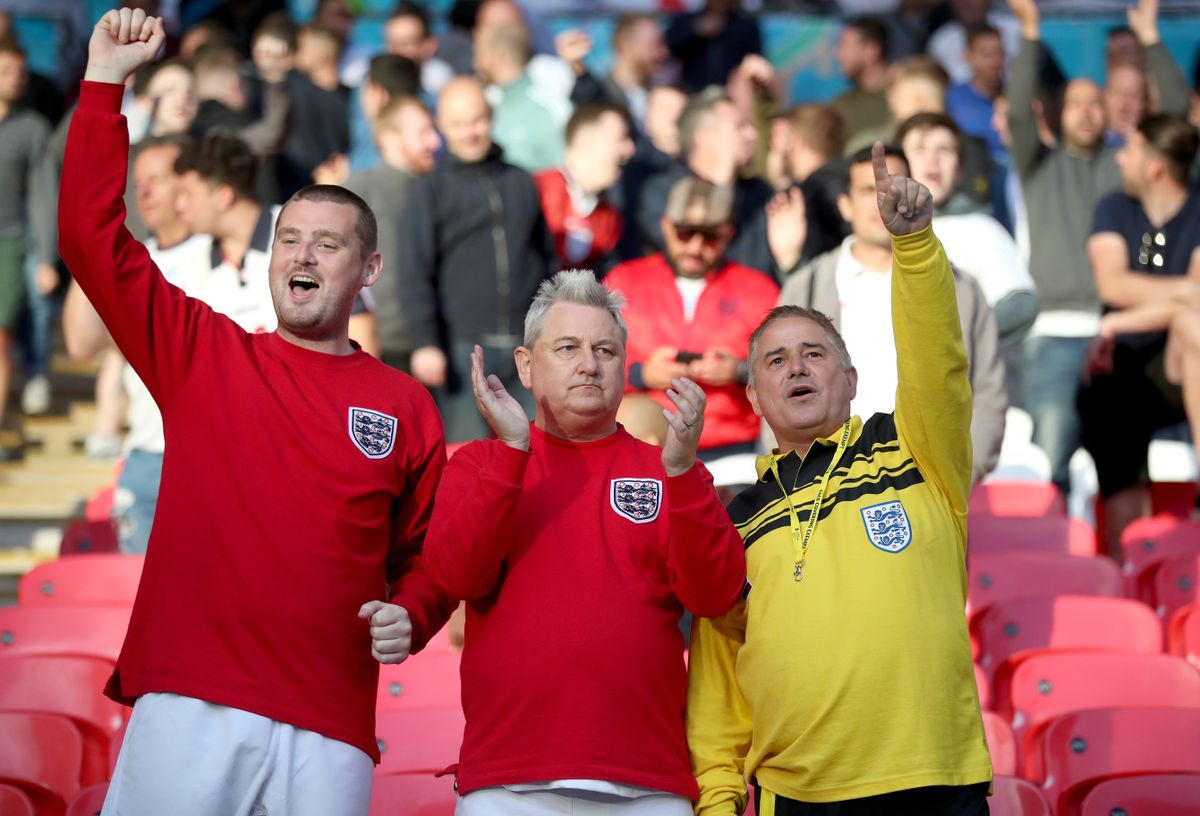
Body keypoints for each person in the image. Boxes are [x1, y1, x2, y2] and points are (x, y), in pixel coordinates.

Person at [60, 12, 455, 813]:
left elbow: (427, 558)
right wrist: (105, 83)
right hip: (191, 701)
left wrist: (413, 614)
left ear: (369, 267)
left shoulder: (405, 406)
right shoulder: (203, 352)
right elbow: (90, 240)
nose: (302, 255)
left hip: (331, 722)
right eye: (290, 239)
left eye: (327, 243)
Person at [688, 142, 992, 816]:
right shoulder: (730, 522)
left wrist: (912, 245)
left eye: (814, 353)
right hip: (793, 796)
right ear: (755, 398)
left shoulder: (918, 450)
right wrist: (715, 801)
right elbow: (716, 689)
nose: (796, 367)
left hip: (935, 782)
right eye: (776, 361)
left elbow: (937, 359)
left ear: (851, 380)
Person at [422, 268, 746, 814]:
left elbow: (715, 595)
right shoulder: (481, 463)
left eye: (605, 350)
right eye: (567, 347)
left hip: (648, 783)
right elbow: (454, 577)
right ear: (526, 365)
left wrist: (685, 472)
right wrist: (512, 452)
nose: (589, 364)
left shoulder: (671, 469)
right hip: (508, 782)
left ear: (625, 367)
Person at [1005, 0, 1189, 494]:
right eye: (1075, 102)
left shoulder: (1124, 167)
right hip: (1054, 338)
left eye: (1096, 103)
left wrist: (1150, 37)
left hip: (1125, 332)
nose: (1086, 112)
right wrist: (1028, 32)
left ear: (1109, 112)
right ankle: (1056, 562)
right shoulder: (1038, 165)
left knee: (1127, 464)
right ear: (1057, 113)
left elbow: (1175, 121)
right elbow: (1019, 108)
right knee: (1051, 462)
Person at [774, 143, 1007, 484]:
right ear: (846, 205)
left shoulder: (958, 288)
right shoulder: (805, 288)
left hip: (930, 479)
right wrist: (798, 476)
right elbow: (773, 388)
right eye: (869, 189)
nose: (881, 201)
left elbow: (987, 389)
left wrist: (961, 472)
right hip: (825, 487)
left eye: (891, 187)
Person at [62, 135, 211, 549]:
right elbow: (80, 344)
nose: (142, 192)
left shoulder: (217, 252)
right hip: (145, 455)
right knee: (137, 600)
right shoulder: (133, 260)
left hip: (206, 457)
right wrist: (89, 254)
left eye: (156, 180)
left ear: (189, 185)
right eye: (138, 182)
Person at [399, 76, 553, 442]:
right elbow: (414, 270)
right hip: (461, 349)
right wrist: (424, 342)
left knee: (539, 450)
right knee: (464, 458)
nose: (470, 132)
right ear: (442, 125)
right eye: (458, 123)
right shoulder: (428, 190)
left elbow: (547, 260)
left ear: (491, 116)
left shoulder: (520, 181)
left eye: (477, 120)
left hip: (525, 345)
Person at [1079, 114, 1200, 556]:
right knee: (1111, 414)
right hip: (1121, 365)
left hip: (1178, 360)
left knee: (1194, 327)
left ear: (1155, 167)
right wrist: (1186, 290)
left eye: (1128, 149)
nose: (1119, 159)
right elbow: (1113, 284)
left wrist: (1118, 321)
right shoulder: (1114, 207)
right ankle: (1129, 570)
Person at [607, 176, 780, 460]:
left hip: (735, 449)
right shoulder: (623, 282)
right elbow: (590, 362)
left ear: (728, 234)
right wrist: (642, 374)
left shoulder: (759, 290)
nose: (696, 248)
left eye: (710, 236)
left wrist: (738, 371)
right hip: (648, 445)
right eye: (685, 233)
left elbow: (784, 369)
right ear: (665, 227)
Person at [897, 112, 1037, 346]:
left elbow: (1021, 305)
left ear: (960, 169)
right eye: (920, 149)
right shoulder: (875, 231)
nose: (933, 161)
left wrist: (955, 337)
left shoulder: (980, 230)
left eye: (944, 150)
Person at [343, 95, 441, 373]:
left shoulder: (438, 188)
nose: (435, 141)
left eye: (434, 130)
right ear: (389, 138)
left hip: (437, 345)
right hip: (382, 347)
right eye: (423, 132)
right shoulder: (359, 190)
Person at [0, 39, 56, 434]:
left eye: (20, 72)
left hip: (11, 241)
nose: (14, 80)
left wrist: (47, 257)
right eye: (5, 71)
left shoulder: (34, 128)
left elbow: (42, 195)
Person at [534, 103, 633, 273]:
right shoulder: (537, 191)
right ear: (585, 139)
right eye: (621, 138)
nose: (630, 149)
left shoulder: (609, 218)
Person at [476, 22, 571, 174]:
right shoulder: (482, 103)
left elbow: (568, 176)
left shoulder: (553, 108)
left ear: (497, 56)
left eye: (478, 53)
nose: (474, 63)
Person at [557, 15, 668, 131]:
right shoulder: (602, 94)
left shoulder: (660, 94)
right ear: (626, 46)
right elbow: (586, 99)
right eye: (655, 45)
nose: (664, 52)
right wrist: (577, 65)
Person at [665, 0, 762, 92]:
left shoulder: (746, 27)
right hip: (693, 94)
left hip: (731, 94)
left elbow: (754, 62)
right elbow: (668, 48)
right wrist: (695, 30)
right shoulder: (686, 21)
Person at [831, 17, 892, 143]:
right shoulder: (841, 105)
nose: (838, 55)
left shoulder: (905, 95)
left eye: (845, 45)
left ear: (871, 51)